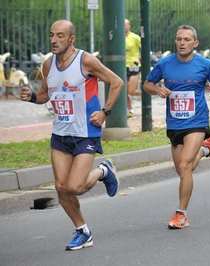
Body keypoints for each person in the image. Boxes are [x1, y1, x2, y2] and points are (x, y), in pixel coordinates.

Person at [19, 20, 124, 250]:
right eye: (51, 35)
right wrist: (32, 97)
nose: (54, 40)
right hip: (60, 133)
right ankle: (83, 231)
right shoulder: (48, 64)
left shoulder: (85, 60)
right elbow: (46, 94)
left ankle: (104, 171)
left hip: (86, 132)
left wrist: (105, 112)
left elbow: (117, 82)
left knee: (75, 187)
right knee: (61, 187)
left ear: (71, 39)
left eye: (60, 35)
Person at [143, 25, 210, 229]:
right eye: (179, 39)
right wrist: (158, 90)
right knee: (182, 169)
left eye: (187, 39)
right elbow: (147, 84)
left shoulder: (205, 64)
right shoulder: (164, 63)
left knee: (184, 166)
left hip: (197, 120)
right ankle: (206, 149)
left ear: (195, 43)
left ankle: (181, 214)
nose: (182, 43)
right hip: (175, 122)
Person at [125, 19, 142, 118]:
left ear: (129, 26)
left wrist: (138, 58)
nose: (124, 27)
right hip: (122, 65)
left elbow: (144, 48)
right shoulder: (118, 38)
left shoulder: (135, 37)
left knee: (131, 91)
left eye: (125, 25)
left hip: (134, 65)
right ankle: (130, 110)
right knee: (124, 92)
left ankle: (146, 95)